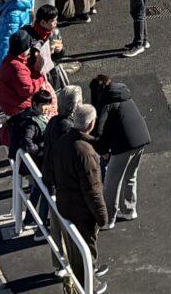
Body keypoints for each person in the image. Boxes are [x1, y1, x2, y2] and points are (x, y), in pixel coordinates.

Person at [48, 100, 109, 256]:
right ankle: (89, 277)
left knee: (74, 248)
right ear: (90, 125)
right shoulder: (86, 152)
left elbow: (50, 172)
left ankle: (79, 277)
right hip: (82, 211)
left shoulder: (62, 142)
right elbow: (93, 189)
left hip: (65, 204)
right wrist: (102, 217)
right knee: (87, 250)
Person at [91, 69, 152, 222]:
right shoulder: (123, 94)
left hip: (124, 145)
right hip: (141, 139)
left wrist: (102, 150)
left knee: (112, 182)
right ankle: (129, 210)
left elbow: (98, 131)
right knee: (130, 176)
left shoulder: (106, 103)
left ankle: (108, 219)